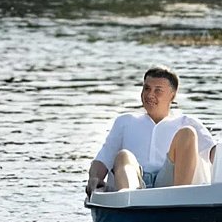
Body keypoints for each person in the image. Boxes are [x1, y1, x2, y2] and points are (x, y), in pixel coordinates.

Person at [86, 66, 215, 196]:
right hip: (135, 184)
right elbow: (103, 158)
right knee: (123, 156)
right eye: (147, 88)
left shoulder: (186, 122)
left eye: (158, 90)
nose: (150, 95)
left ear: (172, 95)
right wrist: (94, 178)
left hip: (171, 184)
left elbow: (214, 153)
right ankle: (128, 199)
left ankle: (179, 198)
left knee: (187, 133)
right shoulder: (125, 121)